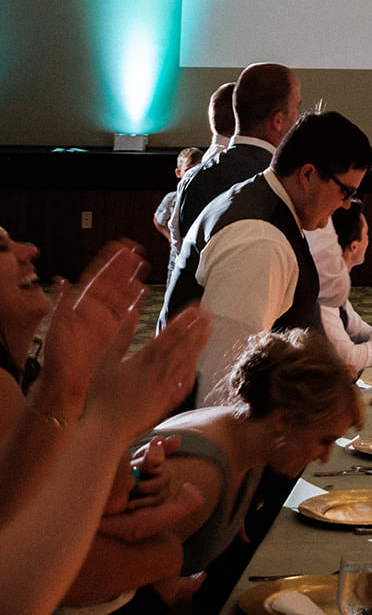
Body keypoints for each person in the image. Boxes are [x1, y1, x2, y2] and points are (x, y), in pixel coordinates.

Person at [0, 237, 210, 612]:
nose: (30, 249)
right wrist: (107, 423)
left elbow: (88, 494)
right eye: (0, 247)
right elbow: (19, 578)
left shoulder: (35, 370)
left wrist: (129, 464)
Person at [160, 108, 372, 405]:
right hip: (203, 431)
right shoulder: (260, 241)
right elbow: (224, 381)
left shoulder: (263, 202)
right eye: (345, 191)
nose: (348, 205)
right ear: (308, 175)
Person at [139, 329, 362, 581]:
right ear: (283, 419)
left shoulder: (250, 440)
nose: (324, 457)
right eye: (324, 441)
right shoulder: (201, 473)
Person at [173, 63, 301, 246]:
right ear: (278, 120)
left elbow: (180, 246)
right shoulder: (283, 180)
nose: (297, 119)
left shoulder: (192, 178)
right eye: (296, 108)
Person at [307, 201, 372, 372]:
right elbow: (349, 358)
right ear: (354, 246)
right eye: (367, 234)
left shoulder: (334, 280)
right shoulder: (321, 290)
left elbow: (359, 332)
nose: (369, 240)